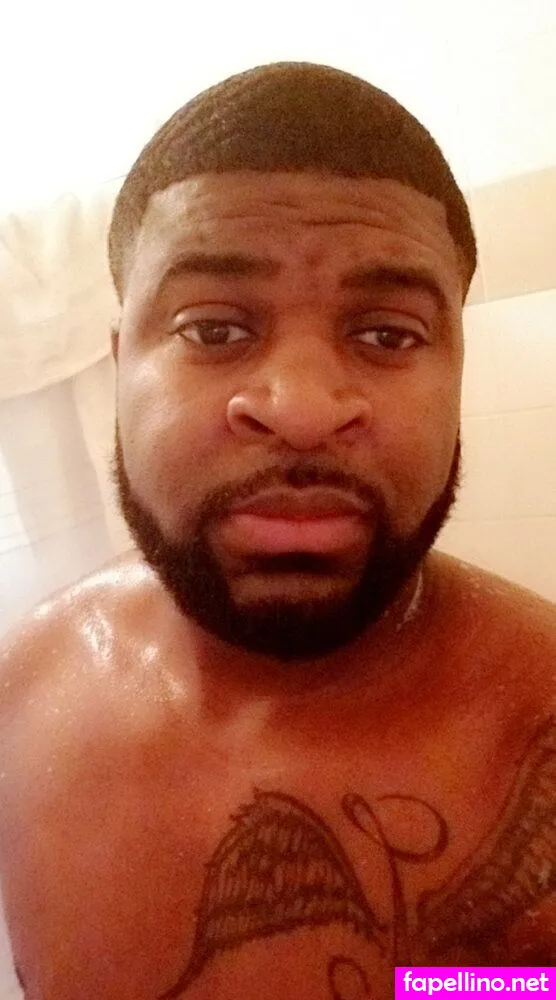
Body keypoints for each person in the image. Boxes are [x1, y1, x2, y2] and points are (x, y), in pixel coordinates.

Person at [1, 61, 555, 1000]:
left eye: (388, 334)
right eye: (214, 329)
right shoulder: (20, 696)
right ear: (120, 364)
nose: (301, 408)